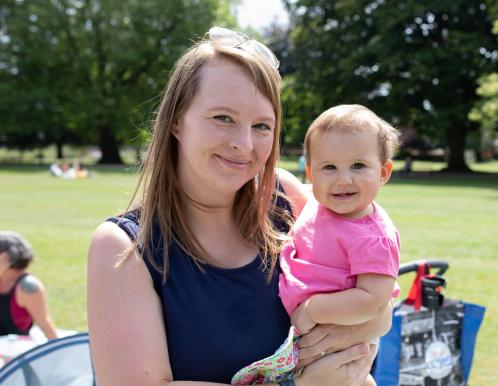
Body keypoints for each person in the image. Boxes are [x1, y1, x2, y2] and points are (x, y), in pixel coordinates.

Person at [87, 26, 390, 386]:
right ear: (177, 121)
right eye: (223, 118)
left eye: (262, 125)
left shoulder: (288, 200)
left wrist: (371, 320)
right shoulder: (123, 249)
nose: (244, 145)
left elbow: (377, 299)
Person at [277, 105, 400, 385]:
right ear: (311, 173)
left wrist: (313, 310)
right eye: (329, 167)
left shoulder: (372, 237)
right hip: (306, 345)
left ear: (383, 172)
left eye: (358, 166)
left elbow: (374, 300)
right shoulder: (316, 205)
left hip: (335, 346)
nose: (343, 180)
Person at [0, 231, 58, 374]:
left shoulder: (28, 287)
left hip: (2, 348)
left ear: (7, 257)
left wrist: (58, 355)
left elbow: (45, 324)